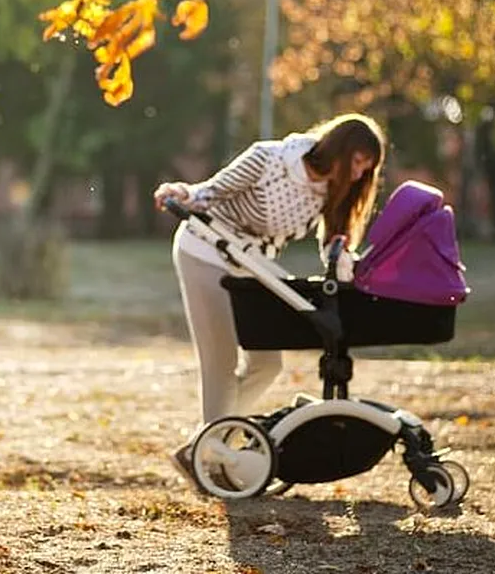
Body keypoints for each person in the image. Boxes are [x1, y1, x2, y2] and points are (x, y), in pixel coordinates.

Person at [152, 112, 387, 479]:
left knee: (266, 363)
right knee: (221, 361)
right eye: (358, 163)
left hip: (253, 265)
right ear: (339, 148)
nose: (359, 175)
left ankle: (202, 446)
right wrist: (179, 192)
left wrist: (346, 264)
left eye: (366, 170)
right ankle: (210, 460)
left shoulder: (332, 191)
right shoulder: (270, 159)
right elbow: (209, 192)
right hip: (206, 252)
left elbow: (332, 246)